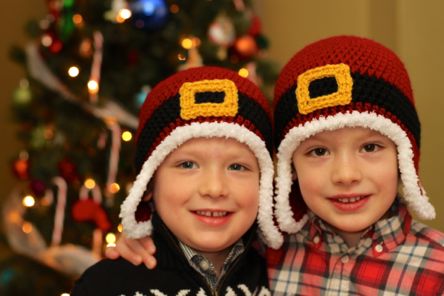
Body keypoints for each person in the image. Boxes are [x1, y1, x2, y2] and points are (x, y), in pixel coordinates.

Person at [105, 36, 444, 295]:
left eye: (370, 147)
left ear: (405, 156)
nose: (346, 176)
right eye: (318, 152)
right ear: (289, 166)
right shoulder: (266, 248)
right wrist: (142, 237)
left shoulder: (437, 270)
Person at [71, 66, 283, 295]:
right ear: (149, 183)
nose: (214, 188)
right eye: (187, 165)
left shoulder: (284, 272)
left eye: (237, 167)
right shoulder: (105, 285)